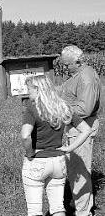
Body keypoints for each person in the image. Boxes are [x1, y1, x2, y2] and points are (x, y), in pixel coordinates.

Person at [21, 75, 91, 216]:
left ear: (38, 89)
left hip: (37, 160)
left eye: (29, 90)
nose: (28, 94)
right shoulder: (63, 107)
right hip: (58, 161)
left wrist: (29, 153)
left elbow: (25, 135)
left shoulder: (32, 109)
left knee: (35, 210)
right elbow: (86, 130)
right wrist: (69, 148)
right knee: (58, 207)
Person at [59, 45, 101, 216]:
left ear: (77, 61)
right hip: (74, 128)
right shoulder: (78, 75)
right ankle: (79, 202)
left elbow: (85, 108)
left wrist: (61, 109)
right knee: (74, 168)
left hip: (81, 129)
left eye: (67, 65)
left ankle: (83, 211)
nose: (65, 68)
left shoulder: (86, 77)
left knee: (79, 171)